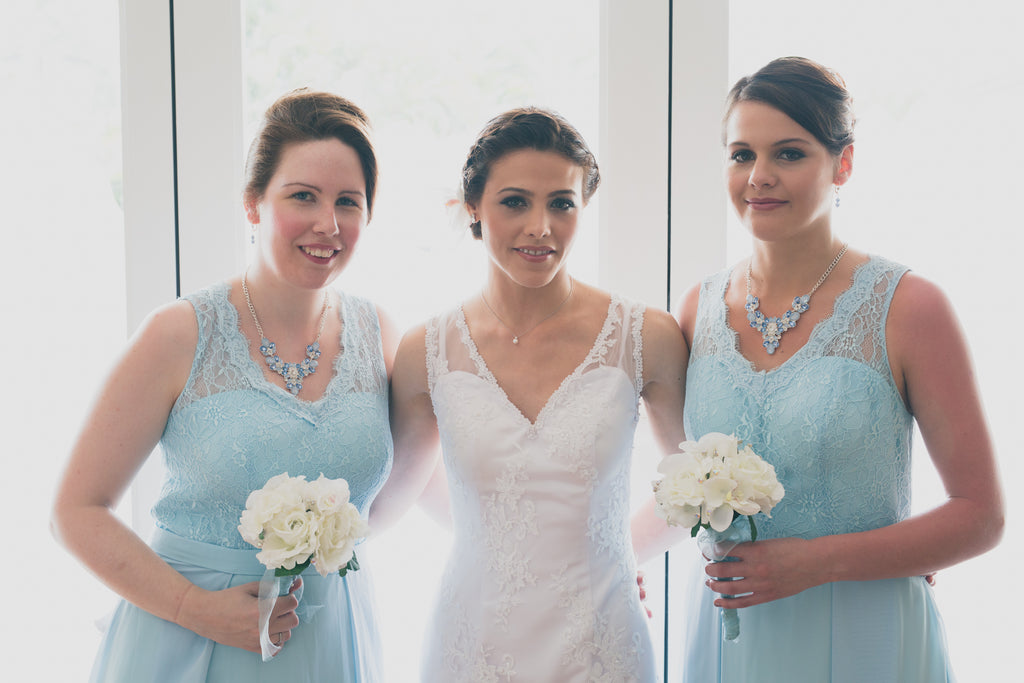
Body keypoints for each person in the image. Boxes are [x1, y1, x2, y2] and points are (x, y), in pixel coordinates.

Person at [674, 56, 1004, 682]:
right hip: (729, 631)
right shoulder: (695, 310)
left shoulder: (910, 307)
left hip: (866, 632)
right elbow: (677, 485)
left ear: (843, 163)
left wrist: (817, 561)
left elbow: (981, 515)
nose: (759, 177)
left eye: (789, 154)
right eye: (741, 154)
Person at [51, 89, 395, 682]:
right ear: (254, 204)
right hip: (189, 641)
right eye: (303, 196)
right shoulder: (179, 333)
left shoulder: (380, 333)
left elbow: (405, 490)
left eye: (349, 202)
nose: (327, 224)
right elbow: (75, 510)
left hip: (331, 638)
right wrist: (196, 610)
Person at [372, 107, 688, 682]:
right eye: (515, 201)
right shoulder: (426, 350)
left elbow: (697, 487)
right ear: (473, 207)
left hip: (603, 639)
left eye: (561, 203)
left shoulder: (648, 337)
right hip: (473, 641)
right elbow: (400, 490)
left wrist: (618, 555)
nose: (540, 226)